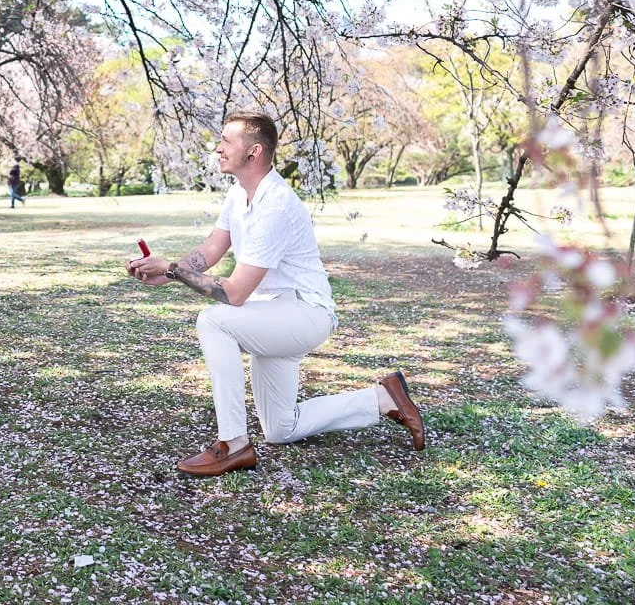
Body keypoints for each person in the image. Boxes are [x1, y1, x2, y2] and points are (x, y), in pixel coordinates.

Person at [127, 111, 426, 477]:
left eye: (226, 142)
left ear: (253, 153)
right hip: (273, 313)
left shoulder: (277, 206)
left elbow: (235, 294)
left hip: (305, 314)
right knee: (281, 427)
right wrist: (167, 273)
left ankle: (233, 444)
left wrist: (173, 271)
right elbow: (211, 250)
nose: (217, 148)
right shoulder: (239, 194)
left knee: (214, 321)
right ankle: (383, 398)